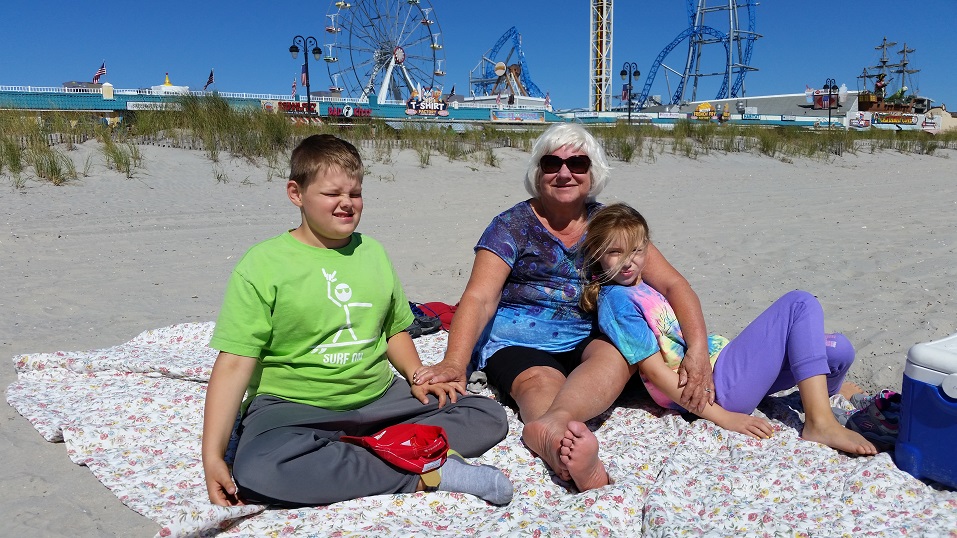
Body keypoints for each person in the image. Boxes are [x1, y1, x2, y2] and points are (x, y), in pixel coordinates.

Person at [202, 134, 512, 508]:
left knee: (486, 414)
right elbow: (235, 362)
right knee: (259, 471)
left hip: (379, 400)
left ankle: (363, 453)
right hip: (294, 407)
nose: (346, 203)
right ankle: (423, 471)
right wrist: (212, 455)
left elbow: (394, 329)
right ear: (296, 193)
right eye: (332, 193)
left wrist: (417, 376)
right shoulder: (263, 265)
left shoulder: (373, 253)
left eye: (355, 193)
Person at [411, 123, 715, 492]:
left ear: (593, 173)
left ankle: (553, 424)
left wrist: (697, 349)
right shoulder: (512, 226)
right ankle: (563, 451)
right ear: (538, 173)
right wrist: (454, 363)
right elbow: (479, 297)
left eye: (578, 164)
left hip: (588, 337)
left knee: (618, 355)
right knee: (539, 382)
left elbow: (673, 283)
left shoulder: (609, 226)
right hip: (519, 340)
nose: (565, 173)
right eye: (552, 163)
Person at [575, 203, 878, 461]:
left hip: (719, 363)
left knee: (840, 350)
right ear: (598, 253)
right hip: (719, 389)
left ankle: (822, 406)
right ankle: (819, 423)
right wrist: (724, 418)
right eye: (615, 253)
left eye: (637, 251)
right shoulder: (616, 301)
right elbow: (655, 374)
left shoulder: (642, 284)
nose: (628, 262)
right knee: (799, 304)